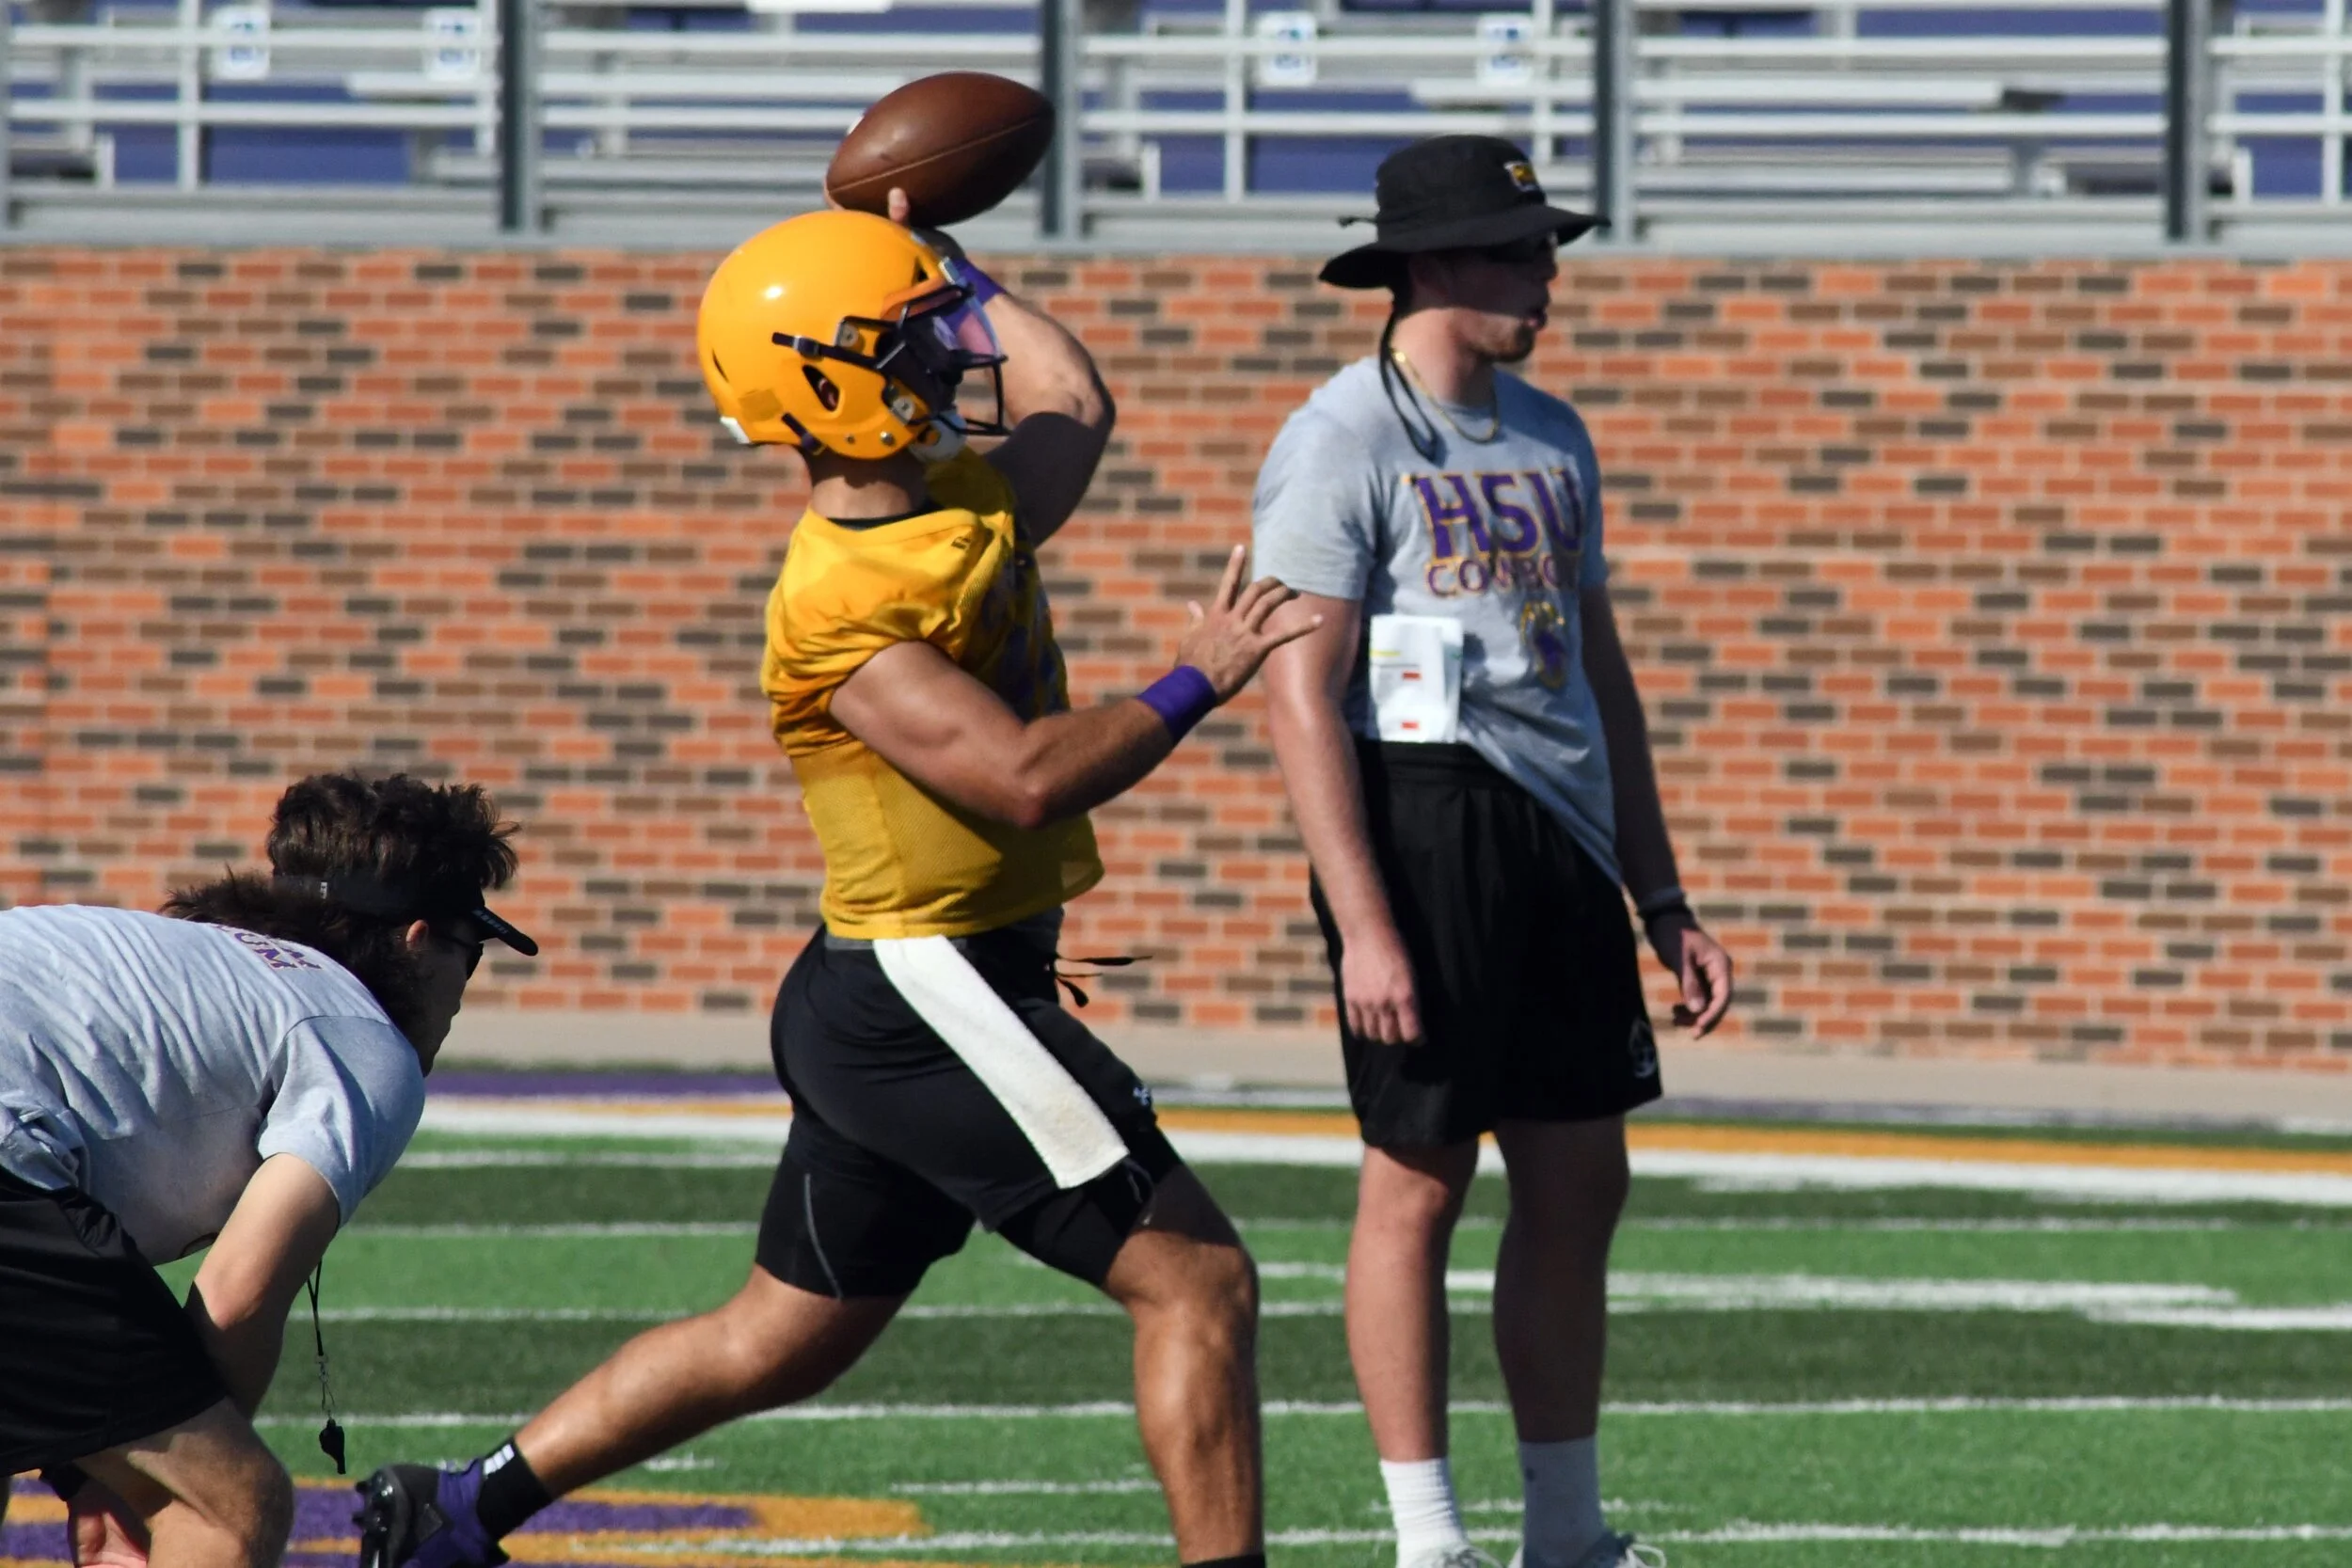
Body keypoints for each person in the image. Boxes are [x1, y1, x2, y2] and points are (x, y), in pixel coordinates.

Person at [355, 194, 1312, 1568]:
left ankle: (455, 1507)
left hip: (904, 984)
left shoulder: (947, 497)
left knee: (782, 1334)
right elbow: (1025, 775)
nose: (956, 356)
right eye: (917, 341)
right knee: (1199, 1281)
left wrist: (938, 256)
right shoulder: (840, 598)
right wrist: (1195, 675)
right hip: (927, 990)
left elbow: (1071, 394)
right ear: (832, 387)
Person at [1253, 137, 1737, 1568]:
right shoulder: (1338, 435)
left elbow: (1599, 665)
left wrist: (1664, 893)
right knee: (1419, 1175)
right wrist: (1370, 922)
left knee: (1582, 1176)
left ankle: (1567, 1532)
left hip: (1563, 832)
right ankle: (1430, 1540)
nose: (1547, 276)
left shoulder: (1554, 431)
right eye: (1522, 250)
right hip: (1422, 815)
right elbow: (1298, 689)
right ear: (1436, 263)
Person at [0, 772, 532, 1568]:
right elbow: (239, 1294)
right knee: (230, 1506)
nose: (465, 987)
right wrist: (128, 1484)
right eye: (472, 950)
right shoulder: (358, 1034)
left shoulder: (181, 960)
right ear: (420, 941)